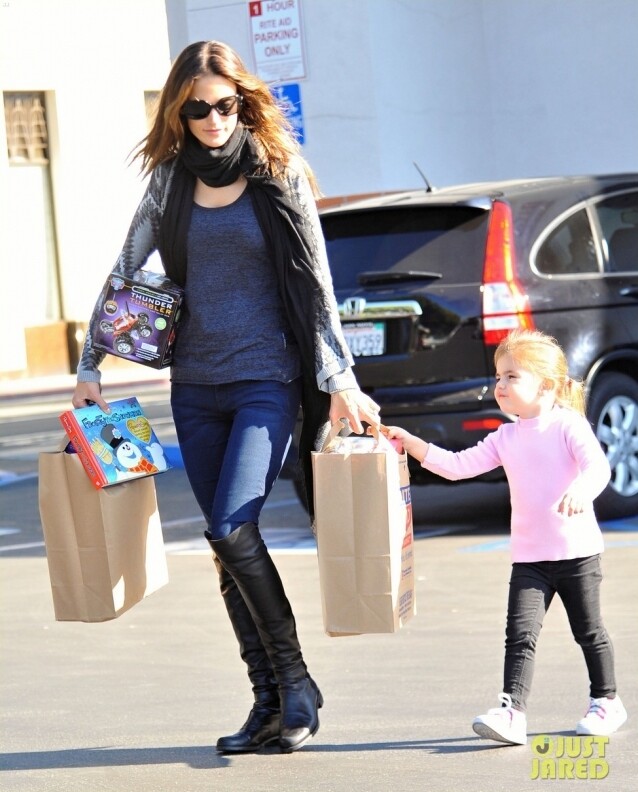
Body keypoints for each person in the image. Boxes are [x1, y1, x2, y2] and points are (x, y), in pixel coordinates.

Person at [72, 40, 380, 754]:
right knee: (223, 548)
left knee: (230, 526)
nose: (213, 118)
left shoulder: (281, 175)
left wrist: (340, 380)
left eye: (225, 104)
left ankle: (298, 682)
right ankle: (268, 702)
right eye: (198, 107)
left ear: (244, 102)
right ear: (179, 112)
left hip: (266, 381)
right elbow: (126, 272)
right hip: (196, 387)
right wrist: (90, 362)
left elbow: (318, 284)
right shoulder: (170, 181)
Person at [382, 329, 627, 745]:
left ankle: (606, 700)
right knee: (520, 636)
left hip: (577, 555)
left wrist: (582, 490)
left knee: (589, 631)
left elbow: (598, 468)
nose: (501, 385)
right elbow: (458, 466)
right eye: (498, 376)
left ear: (546, 386)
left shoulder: (568, 426)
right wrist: (414, 445)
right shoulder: (506, 436)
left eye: (513, 376)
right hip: (529, 559)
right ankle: (512, 712)